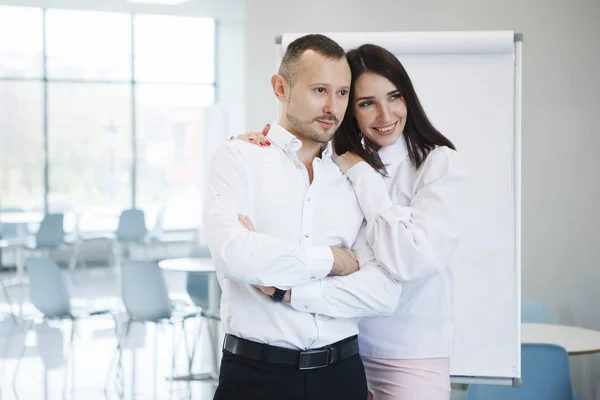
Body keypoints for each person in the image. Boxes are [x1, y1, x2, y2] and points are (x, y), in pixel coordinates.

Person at [237, 43, 466, 400]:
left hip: (411, 353)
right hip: (345, 347)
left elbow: (411, 260)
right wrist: (260, 145)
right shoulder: (335, 162)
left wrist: (363, 175)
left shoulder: (436, 164)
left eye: (394, 97)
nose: (385, 114)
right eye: (366, 103)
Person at [204, 35, 403, 400]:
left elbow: (384, 294)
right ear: (281, 87)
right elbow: (235, 256)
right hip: (256, 378)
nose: (332, 107)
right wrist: (334, 260)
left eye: (342, 93)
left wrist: (288, 289)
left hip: (343, 377)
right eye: (319, 90)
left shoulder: (354, 176)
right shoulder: (238, 158)